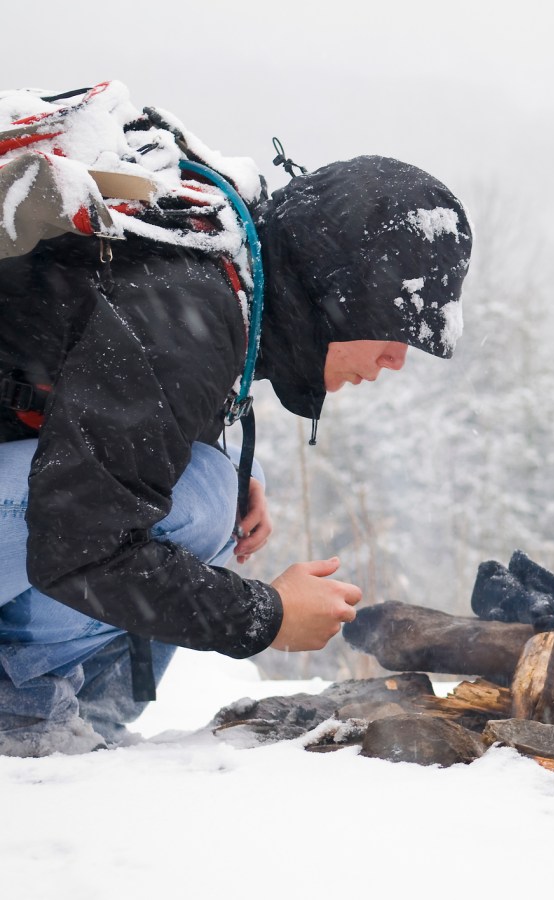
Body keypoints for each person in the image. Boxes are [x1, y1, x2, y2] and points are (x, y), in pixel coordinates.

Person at [0, 149, 473, 757]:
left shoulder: (220, 264)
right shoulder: (185, 306)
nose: (396, 360)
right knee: (196, 504)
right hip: (58, 536)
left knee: (211, 495)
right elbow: (79, 546)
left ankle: (87, 722)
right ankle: (19, 712)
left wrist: (221, 472)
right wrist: (266, 616)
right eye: (396, 328)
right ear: (346, 292)